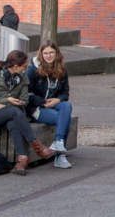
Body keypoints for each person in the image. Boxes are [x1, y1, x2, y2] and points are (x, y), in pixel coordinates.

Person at [0, 50, 55, 176]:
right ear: (15, 66)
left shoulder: (23, 78)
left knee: (14, 123)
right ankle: (38, 146)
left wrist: (13, 103)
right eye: (24, 65)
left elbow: (24, 101)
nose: (26, 68)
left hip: (12, 115)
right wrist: (6, 100)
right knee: (14, 111)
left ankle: (22, 160)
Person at [26, 40, 73, 169]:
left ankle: (58, 141)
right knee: (66, 119)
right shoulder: (33, 70)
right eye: (45, 53)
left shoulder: (62, 69)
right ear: (41, 54)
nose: (48, 56)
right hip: (37, 107)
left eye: (51, 52)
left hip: (54, 104)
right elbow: (26, 93)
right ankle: (59, 156)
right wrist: (42, 102)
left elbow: (65, 93)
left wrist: (58, 100)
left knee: (66, 105)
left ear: (56, 53)